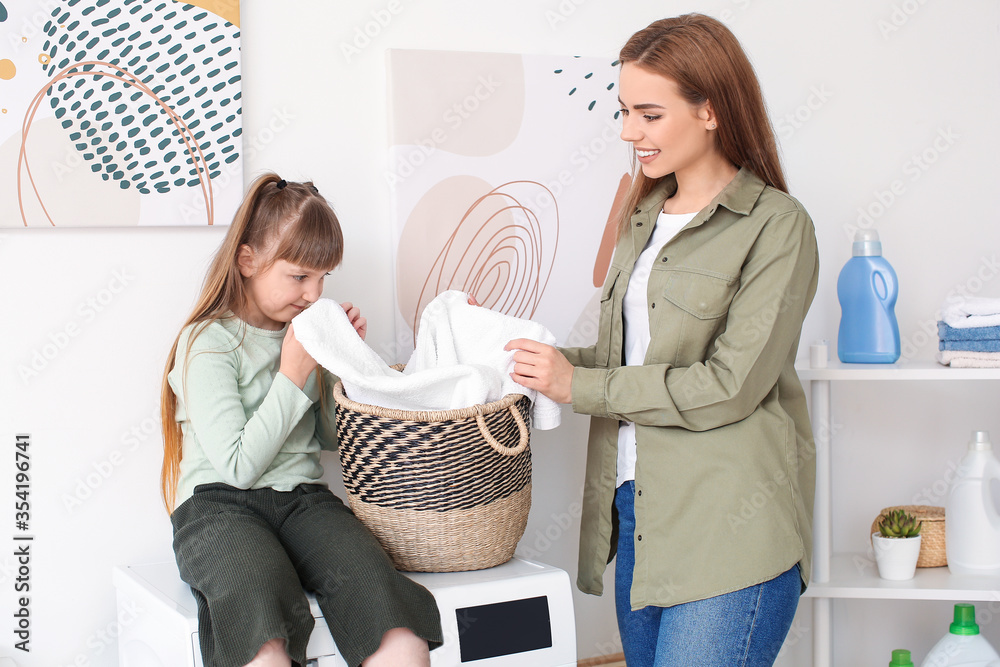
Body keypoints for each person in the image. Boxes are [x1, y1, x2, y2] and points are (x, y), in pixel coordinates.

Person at [505, 14, 819, 667]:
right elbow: (632, 360)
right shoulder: (642, 216)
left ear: (710, 110)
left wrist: (580, 384)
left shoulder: (777, 226)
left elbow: (730, 385)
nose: (628, 132)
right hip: (638, 514)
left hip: (728, 528)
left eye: (649, 114)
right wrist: (535, 358)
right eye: (623, 112)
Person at [160, 173, 443, 667]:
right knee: (259, 618)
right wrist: (292, 372)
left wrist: (342, 361)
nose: (314, 295)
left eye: (323, 278)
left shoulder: (304, 336)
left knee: (387, 606)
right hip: (219, 507)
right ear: (247, 261)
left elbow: (333, 440)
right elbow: (238, 467)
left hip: (303, 502)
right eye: (299, 277)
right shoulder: (209, 343)